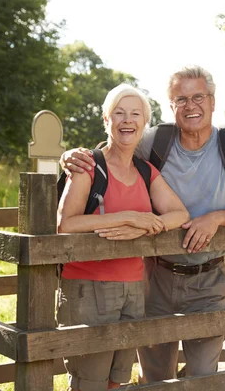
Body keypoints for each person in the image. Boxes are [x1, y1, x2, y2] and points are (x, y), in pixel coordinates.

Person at [60, 65, 225, 382]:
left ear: (212, 100)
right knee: (154, 376)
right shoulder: (155, 141)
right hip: (152, 277)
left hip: (207, 279)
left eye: (198, 96)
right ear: (170, 107)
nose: (190, 105)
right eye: (180, 99)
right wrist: (72, 156)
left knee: (202, 376)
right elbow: (111, 150)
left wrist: (216, 217)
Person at [57, 83, 190, 391]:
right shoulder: (88, 166)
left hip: (133, 287)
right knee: (88, 383)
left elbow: (179, 214)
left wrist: (144, 226)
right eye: (119, 113)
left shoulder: (146, 171)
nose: (127, 120)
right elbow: (65, 224)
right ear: (107, 120)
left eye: (135, 114)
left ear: (144, 124)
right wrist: (128, 216)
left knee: (117, 381)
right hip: (88, 287)